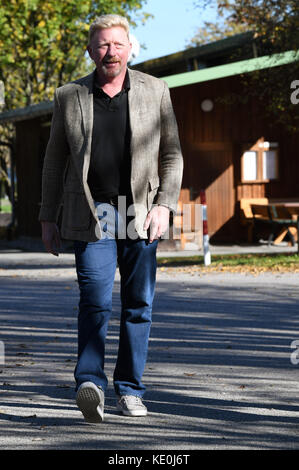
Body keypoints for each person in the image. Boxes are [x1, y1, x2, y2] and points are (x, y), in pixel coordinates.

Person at [39, 14, 183, 423]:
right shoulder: (70, 95)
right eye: (102, 45)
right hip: (92, 215)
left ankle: (131, 390)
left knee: (139, 304)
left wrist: (164, 205)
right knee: (95, 302)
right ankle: (91, 385)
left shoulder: (155, 90)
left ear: (130, 49)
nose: (110, 52)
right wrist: (48, 217)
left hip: (140, 214)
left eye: (118, 44)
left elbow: (172, 154)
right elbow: (54, 161)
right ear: (90, 50)